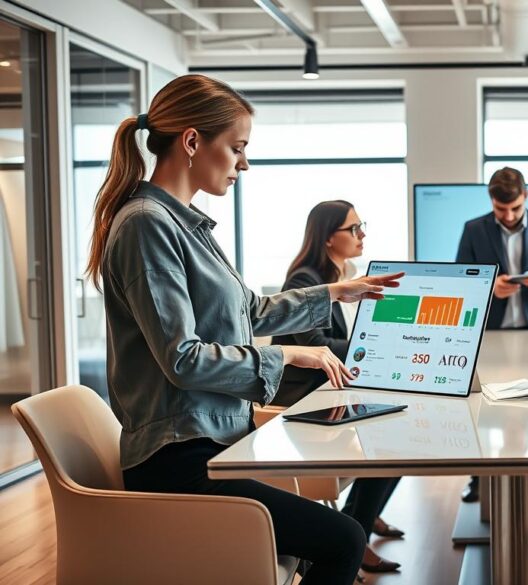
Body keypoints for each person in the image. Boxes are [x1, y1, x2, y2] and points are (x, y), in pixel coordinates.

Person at [86, 74, 403, 585]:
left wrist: (336, 293)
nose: (244, 164)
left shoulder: (182, 222)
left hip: (215, 444)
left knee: (331, 534)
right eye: (237, 149)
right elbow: (183, 359)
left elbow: (248, 311)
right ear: (192, 142)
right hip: (180, 462)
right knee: (344, 539)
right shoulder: (148, 225)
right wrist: (292, 357)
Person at [270, 200, 404, 574]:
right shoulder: (305, 281)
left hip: (332, 389)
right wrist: (378, 346)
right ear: (329, 238)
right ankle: (357, 530)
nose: (363, 235)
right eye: (354, 229)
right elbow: (316, 343)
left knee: (397, 435)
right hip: (300, 401)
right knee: (391, 443)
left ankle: (363, 516)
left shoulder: (347, 273)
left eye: (363, 226)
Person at [455, 167, 528, 502]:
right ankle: (479, 477)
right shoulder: (473, 229)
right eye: (500, 210)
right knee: (484, 409)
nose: (507, 216)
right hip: (491, 334)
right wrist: (488, 288)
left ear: (526, 197)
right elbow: (461, 282)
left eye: (514, 209)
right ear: (491, 201)